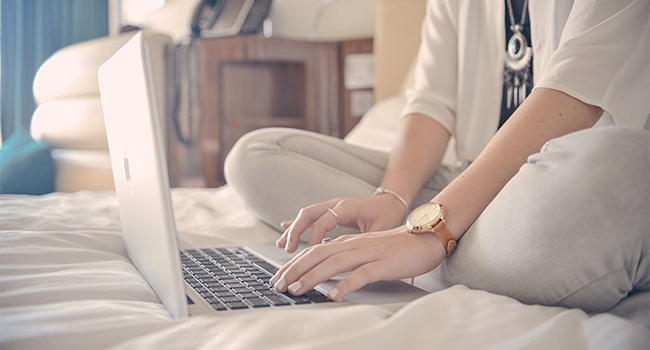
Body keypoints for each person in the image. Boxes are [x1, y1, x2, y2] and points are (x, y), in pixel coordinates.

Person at [225, 0, 650, 318]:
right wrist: (393, 196)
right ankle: (425, 249)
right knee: (257, 156)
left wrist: (429, 232)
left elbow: (575, 92)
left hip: (559, 186)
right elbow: (431, 101)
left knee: (624, 166)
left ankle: (417, 251)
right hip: (466, 178)